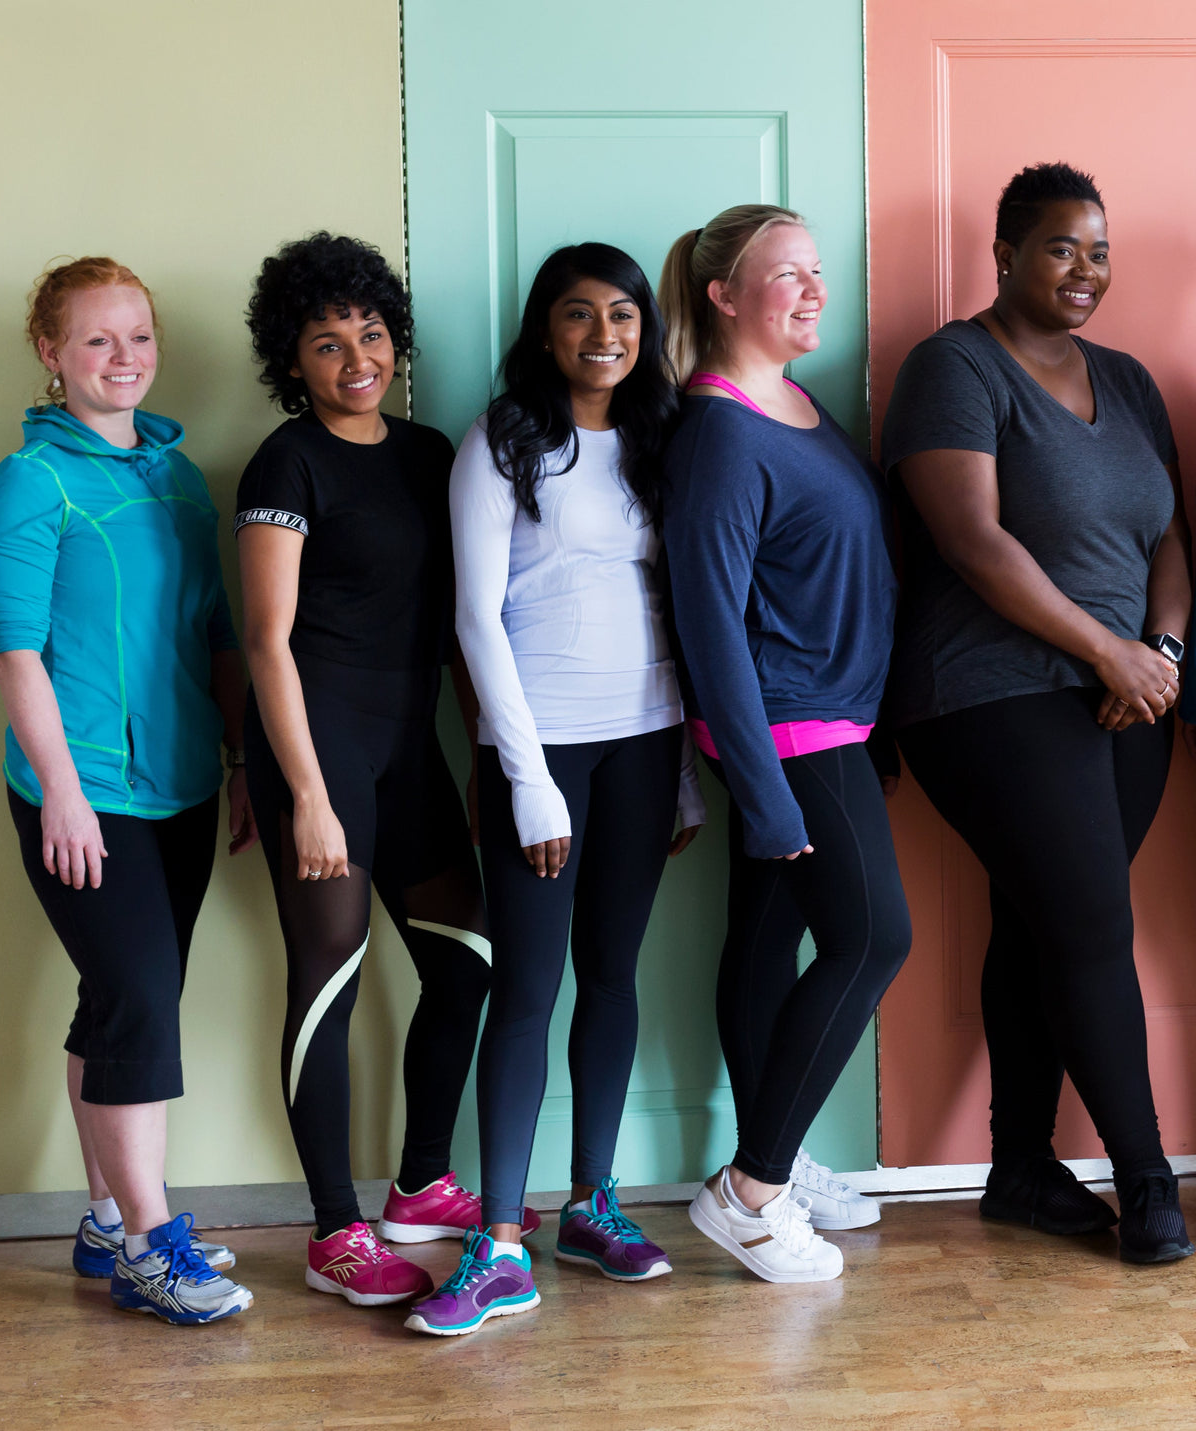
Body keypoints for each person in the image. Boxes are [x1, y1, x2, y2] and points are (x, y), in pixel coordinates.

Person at [883, 162, 1192, 1264]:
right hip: (987, 689)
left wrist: (1156, 653)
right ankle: (1152, 1186)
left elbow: (1169, 537)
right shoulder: (954, 367)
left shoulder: (1131, 380)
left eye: (1099, 250)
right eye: (1062, 246)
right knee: (1094, 925)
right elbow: (974, 543)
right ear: (1005, 253)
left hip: (1127, 694)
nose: (1084, 269)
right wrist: (1108, 650)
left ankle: (1018, 1168)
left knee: (1046, 920)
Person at [405, 242, 705, 1337]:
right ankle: (497, 1241)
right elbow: (475, 619)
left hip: (646, 741)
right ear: (545, 331)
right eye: (578, 316)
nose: (604, 335)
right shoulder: (504, 441)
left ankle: (593, 1203)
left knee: (611, 974)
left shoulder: (664, 440)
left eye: (623, 314)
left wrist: (680, 777)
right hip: (542, 750)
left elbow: (681, 607)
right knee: (527, 990)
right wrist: (525, 780)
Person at [236, 232, 537, 1310]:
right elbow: (267, 641)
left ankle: (421, 1182)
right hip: (320, 757)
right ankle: (333, 1232)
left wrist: (482, 752)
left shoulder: (426, 455)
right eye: (326, 342)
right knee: (329, 977)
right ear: (294, 360)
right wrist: (307, 796)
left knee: (465, 961)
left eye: (369, 332)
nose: (354, 356)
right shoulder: (287, 462)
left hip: (412, 752)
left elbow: (465, 624)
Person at [0, 258, 256, 1324]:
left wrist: (237, 763)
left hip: (184, 785)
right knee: (142, 1007)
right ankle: (153, 1244)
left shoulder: (175, 475)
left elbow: (212, 635)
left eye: (137, 337)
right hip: (84, 789)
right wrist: (57, 789)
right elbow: (14, 653)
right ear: (51, 355)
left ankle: (105, 1221)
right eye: (97, 341)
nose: (124, 359)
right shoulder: (31, 478)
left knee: (119, 1003)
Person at [659, 204, 911, 1284]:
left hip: (833, 716)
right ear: (722, 296)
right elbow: (707, 619)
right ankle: (750, 1193)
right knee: (870, 940)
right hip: (787, 726)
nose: (814, 290)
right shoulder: (717, 429)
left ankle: (782, 1156)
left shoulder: (798, 402)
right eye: (786, 275)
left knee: (765, 944)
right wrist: (761, 792)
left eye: (818, 272)